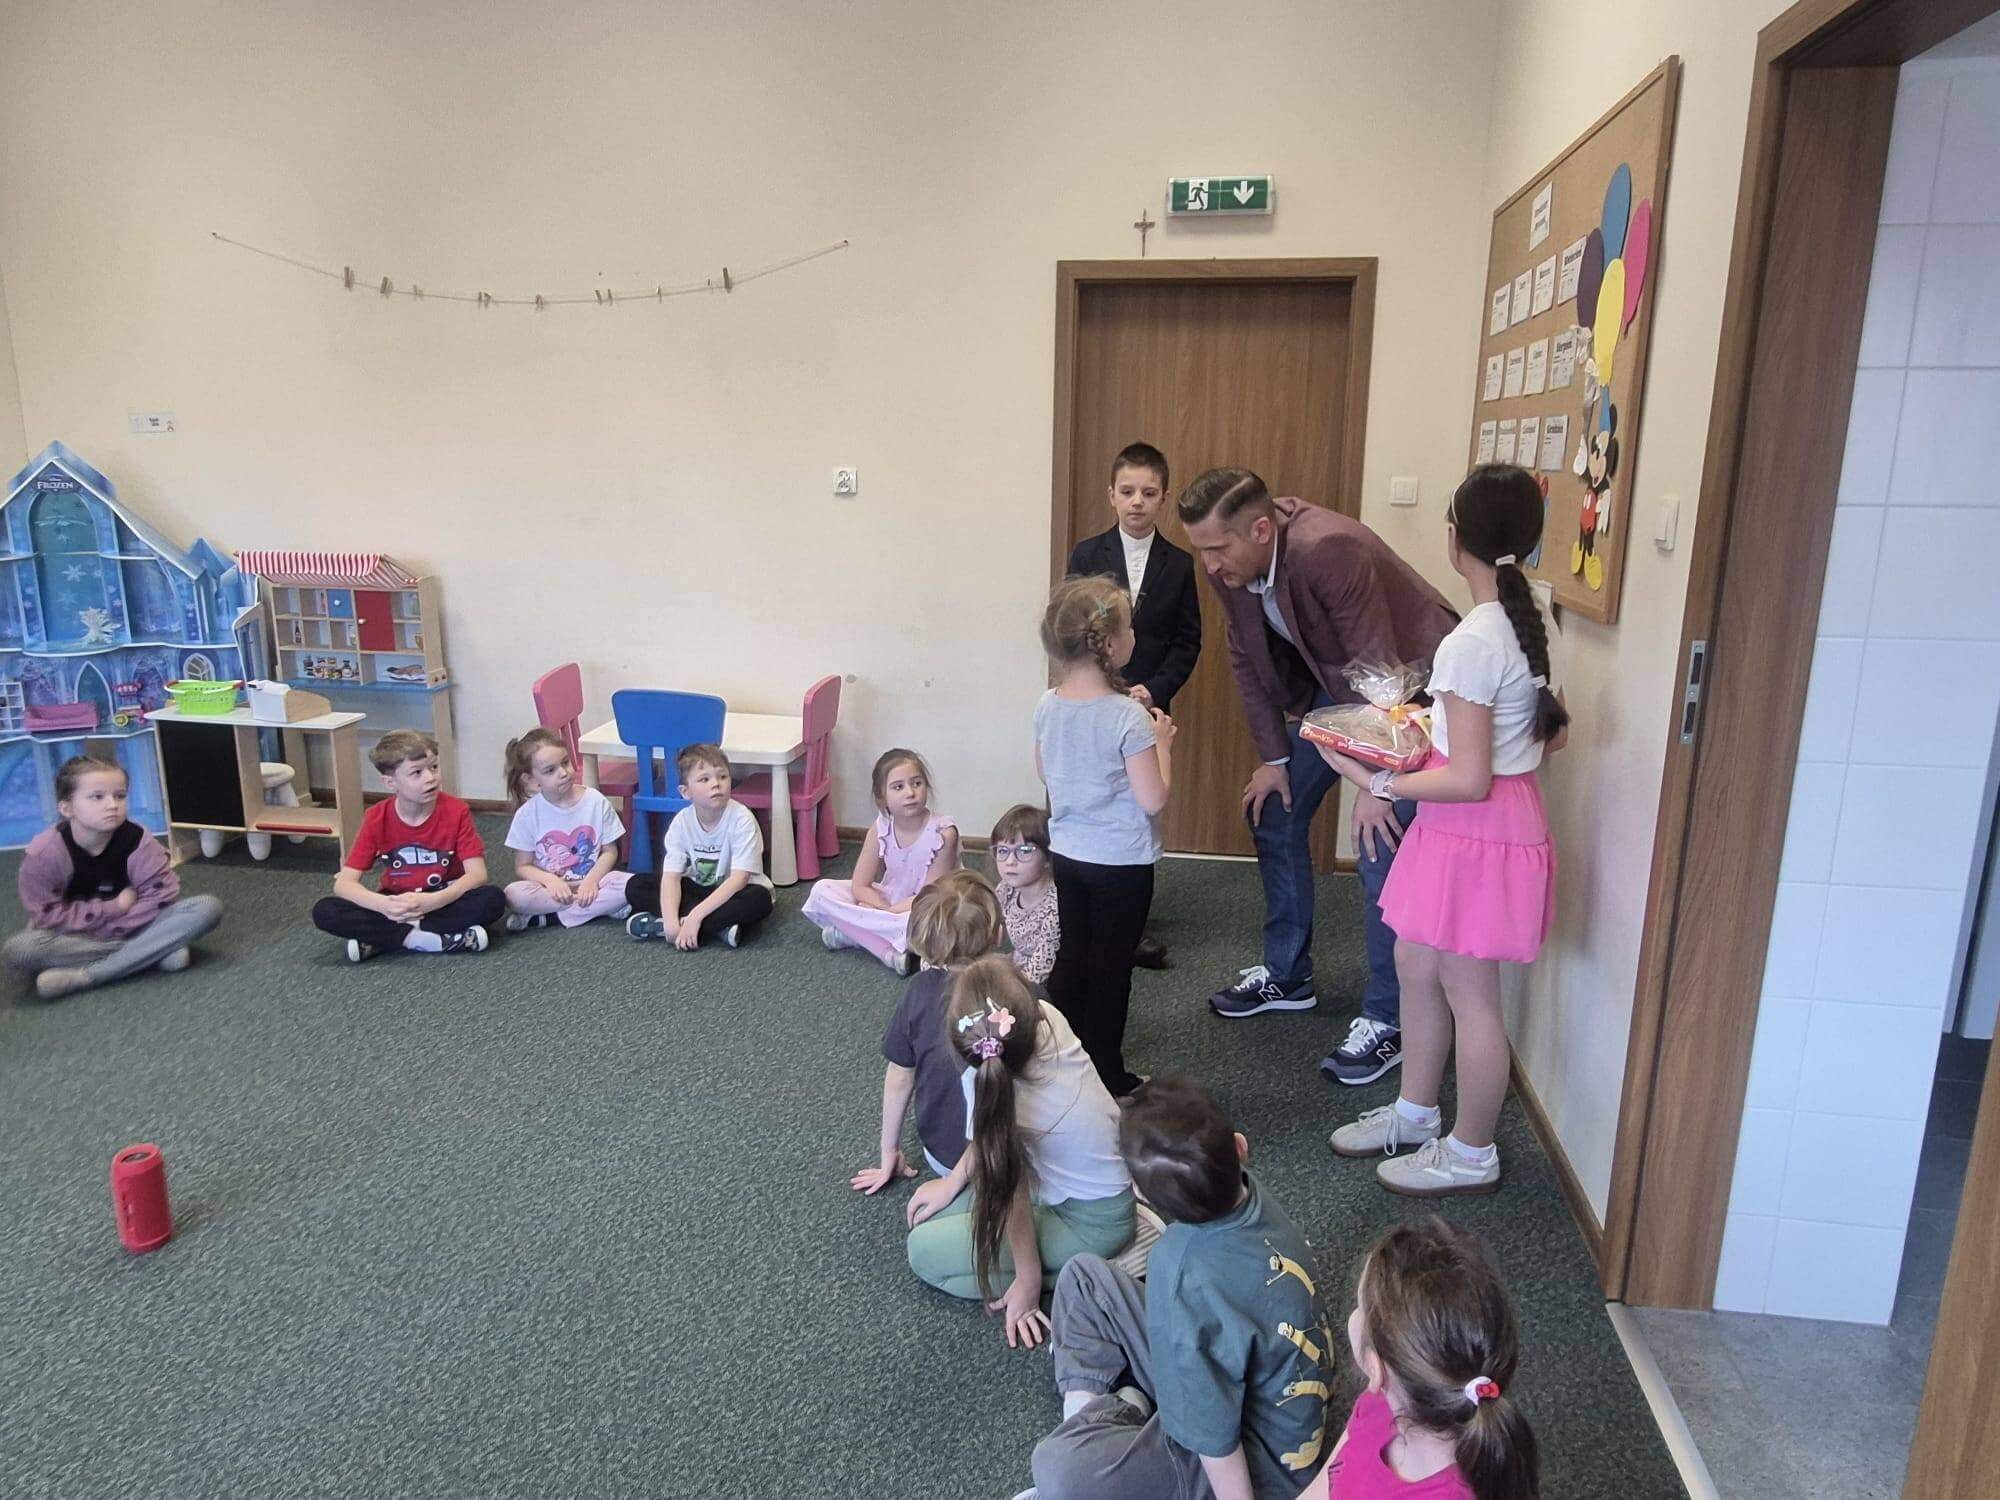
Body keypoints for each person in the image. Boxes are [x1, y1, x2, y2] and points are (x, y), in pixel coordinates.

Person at [1317, 465, 1565, 1197]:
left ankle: (1471, 1151)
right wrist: (1425, 733)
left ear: (1456, 539)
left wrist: (1372, 777)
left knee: (1471, 992)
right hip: (1477, 823)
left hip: (1474, 827)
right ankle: (1416, 1111)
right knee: (1415, 961)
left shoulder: (1473, 641)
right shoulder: (1527, 618)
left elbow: (1470, 778)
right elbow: (1542, 737)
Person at [1179, 467, 1454, 1090]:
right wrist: (1275, 759)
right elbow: (1246, 656)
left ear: (1260, 529)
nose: (1210, 565)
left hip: (1416, 693)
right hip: (1342, 690)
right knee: (1274, 809)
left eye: (1218, 549)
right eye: (1203, 551)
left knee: (1379, 842)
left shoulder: (1330, 549)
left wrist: (1374, 784)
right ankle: (1288, 975)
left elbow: (1379, 666)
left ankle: (1390, 1020)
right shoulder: (1227, 563)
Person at [1016, 1075, 1335, 1500]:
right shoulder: (1248, 1187)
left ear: (1139, 1194)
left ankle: (1118, 1413)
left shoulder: (1181, 1273)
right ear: (1240, 1148)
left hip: (1256, 1466)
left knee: (1058, 1469)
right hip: (1253, 1390)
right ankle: (1113, 1416)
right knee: (1083, 1277)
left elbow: (1216, 1439)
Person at [905, 956, 1138, 1347]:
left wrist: (1028, 1281)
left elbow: (1008, 1190)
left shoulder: (984, 1075)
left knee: (922, 1252)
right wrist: (952, 1182)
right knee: (934, 1215)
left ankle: (1093, 1269)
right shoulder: (1046, 1017)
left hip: (1097, 1218)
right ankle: (1074, 1261)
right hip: (1054, 1185)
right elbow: (991, 1146)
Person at [1036, 576, 1174, 1100]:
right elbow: (1153, 798)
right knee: (1112, 968)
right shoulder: (1130, 718)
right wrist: (1163, 743)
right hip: (1121, 863)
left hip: (1068, 853)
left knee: (1074, 954)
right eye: (1130, 627)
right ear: (1111, 644)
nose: (1135, 634)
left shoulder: (1047, 703)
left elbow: (1046, 771)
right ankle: (1108, 1076)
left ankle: (1057, 1058)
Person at [1068, 441, 1202, 971]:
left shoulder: (1180, 564)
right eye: (1127, 491)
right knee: (1088, 797)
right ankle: (1075, 910)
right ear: (1111, 495)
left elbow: (1187, 642)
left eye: (1148, 493)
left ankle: (1131, 923)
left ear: (1164, 497)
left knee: (1138, 808)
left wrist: (1155, 689)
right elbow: (1070, 628)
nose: (1137, 502)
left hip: (1144, 705)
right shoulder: (1086, 554)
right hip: (1090, 700)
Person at [1302, 1218, 1540, 1499]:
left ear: (1376, 1368)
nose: (1354, 1314)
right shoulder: (1380, 1401)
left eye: (1360, 1307)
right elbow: (1332, 1476)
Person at [4, 755, 222, 1000]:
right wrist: (114, 907)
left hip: (137, 925)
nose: (112, 805)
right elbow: (47, 915)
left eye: (119, 796)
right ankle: (152, 953)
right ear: (67, 808)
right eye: (97, 797)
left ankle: (86, 976)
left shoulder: (139, 840)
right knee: (20, 949)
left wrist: (120, 926)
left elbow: (161, 897)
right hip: (77, 936)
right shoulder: (44, 853)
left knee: (206, 907)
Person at [851, 871, 1005, 1192]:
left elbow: (900, 1076)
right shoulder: (1022, 991)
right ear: (998, 935)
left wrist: (889, 1152)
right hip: (1012, 1157)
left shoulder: (919, 991)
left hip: (943, 1159)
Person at [310, 729, 504, 961]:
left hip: (442, 900)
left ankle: (384, 938)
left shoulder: (456, 810)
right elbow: (344, 884)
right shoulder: (376, 817)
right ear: (390, 782)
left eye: (434, 767)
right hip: (395, 904)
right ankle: (427, 940)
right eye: (417, 772)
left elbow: (477, 874)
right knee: (325, 911)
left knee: (493, 899)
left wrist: (434, 901)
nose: (431, 777)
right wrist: (383, 905)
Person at [800, 747, 957, 975]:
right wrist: (882, 907)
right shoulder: (880, 827)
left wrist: (886, 912)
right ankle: (886, 951)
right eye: (898, 787)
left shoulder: (944, 833)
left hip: (927, 908)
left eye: (917, 783)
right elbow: (860, 885)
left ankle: (852, 934)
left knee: (929, 926)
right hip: (889, 899)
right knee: (820, 891)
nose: (910, 793)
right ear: (881, 797)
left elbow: (931, 896)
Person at [623, 743, 774, 949]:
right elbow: (671, 876)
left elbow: (739, 880)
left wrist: (695, 916)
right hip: (700, 889)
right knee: (636, 885)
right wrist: (670, 921)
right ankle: (716, 927)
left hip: (736, 891)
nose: (716, 784)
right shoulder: (681, 822)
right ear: (686, 792)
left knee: (760, 899)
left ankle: (675, 926)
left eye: (723, 776)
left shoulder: (742, 819)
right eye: (704, 779)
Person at [499, 728, 631, 931]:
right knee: (513, 895)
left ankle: (548, 918)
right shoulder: (527, 814)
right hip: (550, 889)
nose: (563, 773)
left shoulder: (596, 801)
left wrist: (590, 882)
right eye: (550, 771)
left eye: (565, 762)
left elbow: (610, 852)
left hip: (595, 881)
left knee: (629, 884)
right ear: (531, 780)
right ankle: (597, 908)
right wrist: (550, 881)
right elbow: (523, 866)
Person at [989, 802, 1058, 986]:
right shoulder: (1006, 888)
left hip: (1047, 983)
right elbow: (982, 927)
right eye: (1002, 851)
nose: (1010, 861)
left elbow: (1039, 972)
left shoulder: (1054, 908)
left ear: (1047, 858)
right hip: (1017, 966)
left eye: (1024, 851)